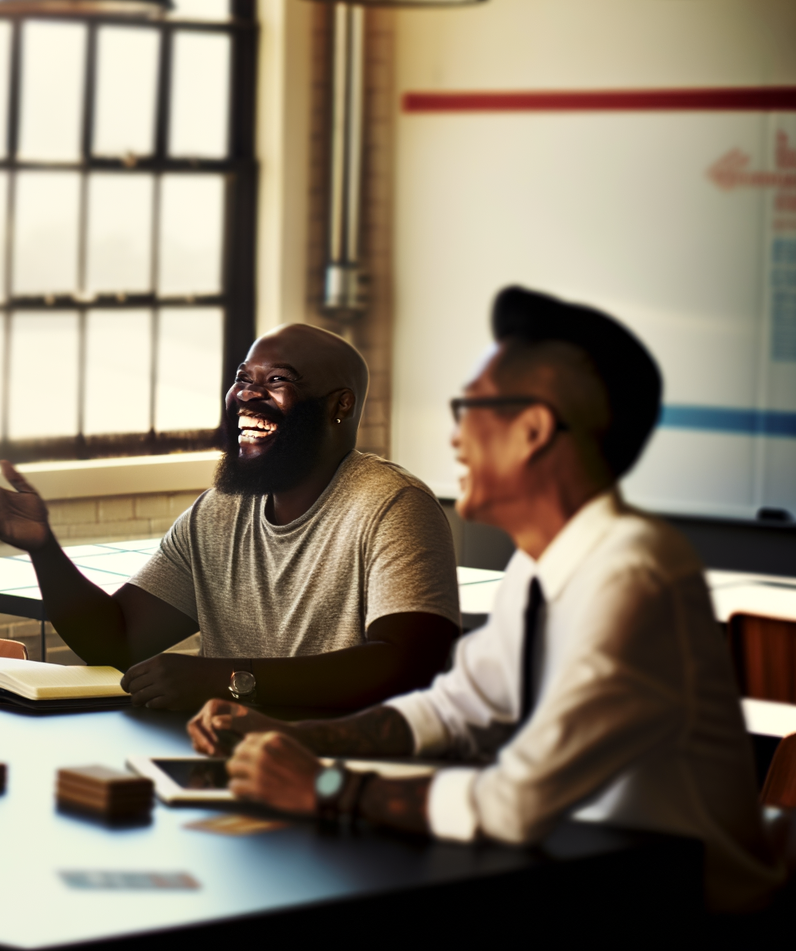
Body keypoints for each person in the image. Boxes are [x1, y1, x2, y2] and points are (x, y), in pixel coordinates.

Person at [194, 287, 782, 912]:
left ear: (531, 431)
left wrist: (326, 786)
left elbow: (515, 803)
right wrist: (302, 739)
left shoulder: (632, 577)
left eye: (470, 409)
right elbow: (450, 712)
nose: (454, 440)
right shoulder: (542, 564)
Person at [0, 323, 460, 712]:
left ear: (340, 406)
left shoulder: (393, 506)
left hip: (339, 773)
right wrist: (43, 548)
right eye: (243, 378)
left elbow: (409, 665)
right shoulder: (219, 511)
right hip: (235, 758)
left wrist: (228, 680)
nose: (248, 394)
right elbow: (117, 640)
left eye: (277, 380)